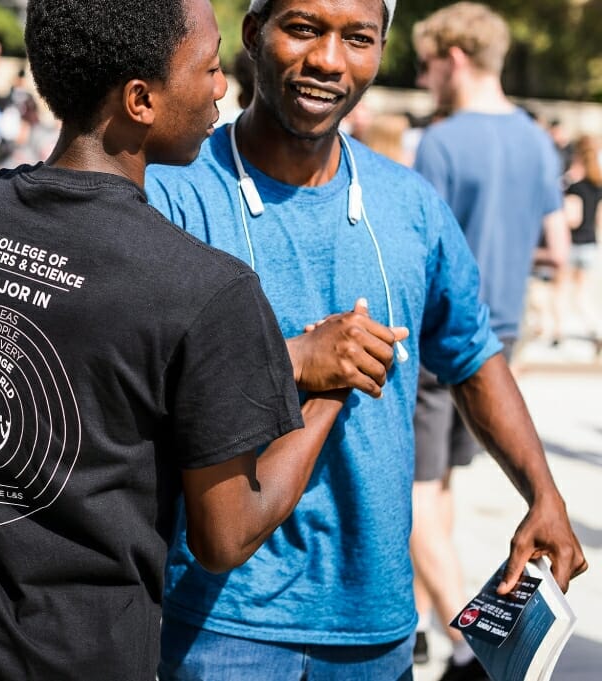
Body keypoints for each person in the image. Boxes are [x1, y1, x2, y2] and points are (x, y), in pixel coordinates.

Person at [0, 0, 354, 679]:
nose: (222, 86)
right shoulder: (208, 289)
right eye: (210, 68)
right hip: (76, 658)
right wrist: (330, 392)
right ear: (139, 99)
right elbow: (225, 532)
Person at [144, 0, 587, 679]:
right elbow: (144, 374)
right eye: (303, 29)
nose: (328, 59)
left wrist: (543, 493)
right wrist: (296, 361)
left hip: (374, 627)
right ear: (255, 32)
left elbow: (471, 353)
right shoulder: (177, 191)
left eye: (358, 38)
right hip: (219, 620)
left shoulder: (409, 205)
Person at [408, 5, 570, 677]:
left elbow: (418, 251)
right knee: (440, 489)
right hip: (500, 339)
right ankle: (430, 626)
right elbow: (557, 248)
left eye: (425, 64)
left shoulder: (443, 142)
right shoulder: (537, 140)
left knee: (415, 496)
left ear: (455, 56)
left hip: (436, 337)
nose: (422, 78)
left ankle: (468, 643)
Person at [560, 135, 602, 349]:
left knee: (563, 291)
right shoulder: (598, 186)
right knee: (581, 292)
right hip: (590, 243)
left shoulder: (575, 187)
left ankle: (557, 332)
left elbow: (573, 219)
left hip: (573, 244)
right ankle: (594, 327)